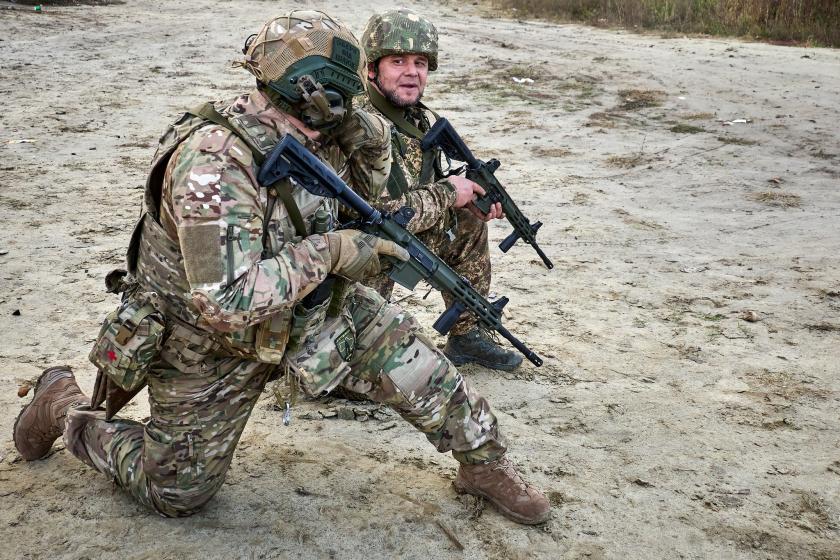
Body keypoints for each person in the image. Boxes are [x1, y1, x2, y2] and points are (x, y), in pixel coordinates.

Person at [13, 11, 550, 525]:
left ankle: (483, 463)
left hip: (304, 307)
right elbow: (225, 301)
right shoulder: (215, 165)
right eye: (342, 97)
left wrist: (370, 150)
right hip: (204, 341)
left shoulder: (318, 133)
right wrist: (333, 252)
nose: (347, 109)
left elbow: (367, 211)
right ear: (312, 93)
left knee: (415, 363)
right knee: (176, 491)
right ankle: (62, 405)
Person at [356, 9, 522, 372]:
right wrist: (448, 193)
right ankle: (352, 349)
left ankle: (467, 335)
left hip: (397, 231)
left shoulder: (415, 116)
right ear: (371, 68)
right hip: (354, 246)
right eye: (397, 61)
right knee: (364, 370)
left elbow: (418, 187)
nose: (411, 72)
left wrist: (467, 195)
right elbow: (376, 214)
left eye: (420, 63)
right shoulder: (360, 125)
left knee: (467, 220)